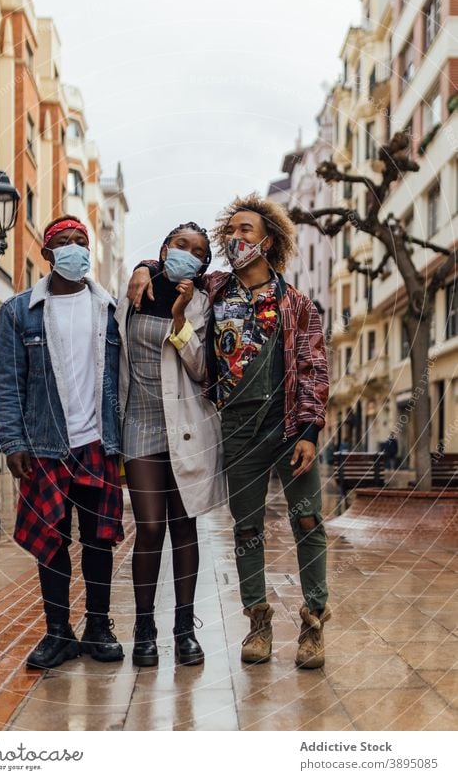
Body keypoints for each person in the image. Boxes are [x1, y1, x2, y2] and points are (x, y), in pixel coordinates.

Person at [128, 193, 330, 668]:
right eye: (231, 231)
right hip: (236, 432)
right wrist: (142, 265)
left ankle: (314, 623)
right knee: (248, 529)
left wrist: (309, 433)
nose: (235, 238)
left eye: (246, 231)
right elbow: (170, 267)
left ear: (269, 241)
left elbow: (314, 368)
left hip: (288, 428)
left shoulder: (299, 304)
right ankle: (258, 624)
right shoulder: (213, 291)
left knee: (307, 521)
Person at [0, 215, 124, 669]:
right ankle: (57, 632)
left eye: (80, 241)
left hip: (98, 442)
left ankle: (98, 627)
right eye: (63, 242)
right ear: (47, 255)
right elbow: (8, 382)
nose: (74, 248)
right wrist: (12, 442)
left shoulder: (110, 309)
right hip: (45, 445)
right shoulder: (18, 311)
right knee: (51, 540)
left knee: (99, 540)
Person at [117, 222, 226, 667]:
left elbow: (201, 369)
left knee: (184, 528)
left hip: (185, 426)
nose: (188, 253)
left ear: (202, 266)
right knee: (148, 529)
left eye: (198, 251)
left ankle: (184, 629)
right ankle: (145, 627)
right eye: (181, 244)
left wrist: (180, 316)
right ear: (163, 248)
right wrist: (143, 268)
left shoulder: (201, 304)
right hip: (139, 423)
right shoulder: (132, 291)